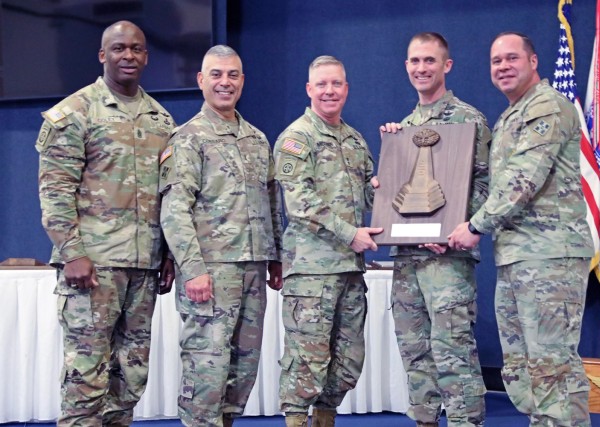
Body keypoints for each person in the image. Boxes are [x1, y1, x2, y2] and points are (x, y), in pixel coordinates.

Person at [448, 32, 595, 426]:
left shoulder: (545, 106)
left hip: (550, 256)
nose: (503, 67)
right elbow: (493, 183)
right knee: (523, 369)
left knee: (552, 365)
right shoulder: (512, 114)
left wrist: (474, 225)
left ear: (533, 62)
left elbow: (523, 180)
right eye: (496, 61)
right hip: (519, 255)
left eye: (512, 58)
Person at [36, 21, 175, 426]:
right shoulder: (75, 112)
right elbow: (55, 191)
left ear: (146, 56)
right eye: (118, 48)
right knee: (86, 377)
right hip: (92, 269)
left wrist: (166, 255)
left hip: (143, 269)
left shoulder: (161, 120)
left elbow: (168, 196)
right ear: (103, 55)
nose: (127, 56)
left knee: (130, 377)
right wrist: (73, 253)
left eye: (136, 49)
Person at [159, 45, 284, 427]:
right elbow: (174, 209)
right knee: (206, 370)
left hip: (253, 269)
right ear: (201, 80)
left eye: (232, 75)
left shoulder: (257, 139)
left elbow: (271, 201)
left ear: (242, 81)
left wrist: (276, 257)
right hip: (211, 272)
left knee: (242, 369)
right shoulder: (188, 138)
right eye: (216, 74)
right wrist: (193, 268)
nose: (224, 82)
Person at [379, 32, 490, 427]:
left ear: (447, 65)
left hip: (448, 257)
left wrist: (451, 229)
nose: (421, 68)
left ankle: (464, 422)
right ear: (406, 66)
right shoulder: (404, 127)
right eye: (414, 61)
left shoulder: (468, 118)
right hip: (407, 258)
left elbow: (484, 184)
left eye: (429, 60)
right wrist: (385, 177)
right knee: (414, 349)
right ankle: (424, 420)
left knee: (452, 348)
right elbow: (393, 192)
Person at [274, 55, 381, 427]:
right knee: (308, 359)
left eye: (336, 84)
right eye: (322, 84)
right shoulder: (295, 138)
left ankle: (324, 418)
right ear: (309, 89)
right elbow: (299, 202)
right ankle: (297, 420)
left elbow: (373, 196)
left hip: (350, 271)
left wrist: (401, 162)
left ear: (346, 89)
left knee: (348, 360)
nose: (329, 90)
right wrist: (351, 234)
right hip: (311, 272)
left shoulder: (355, 140)